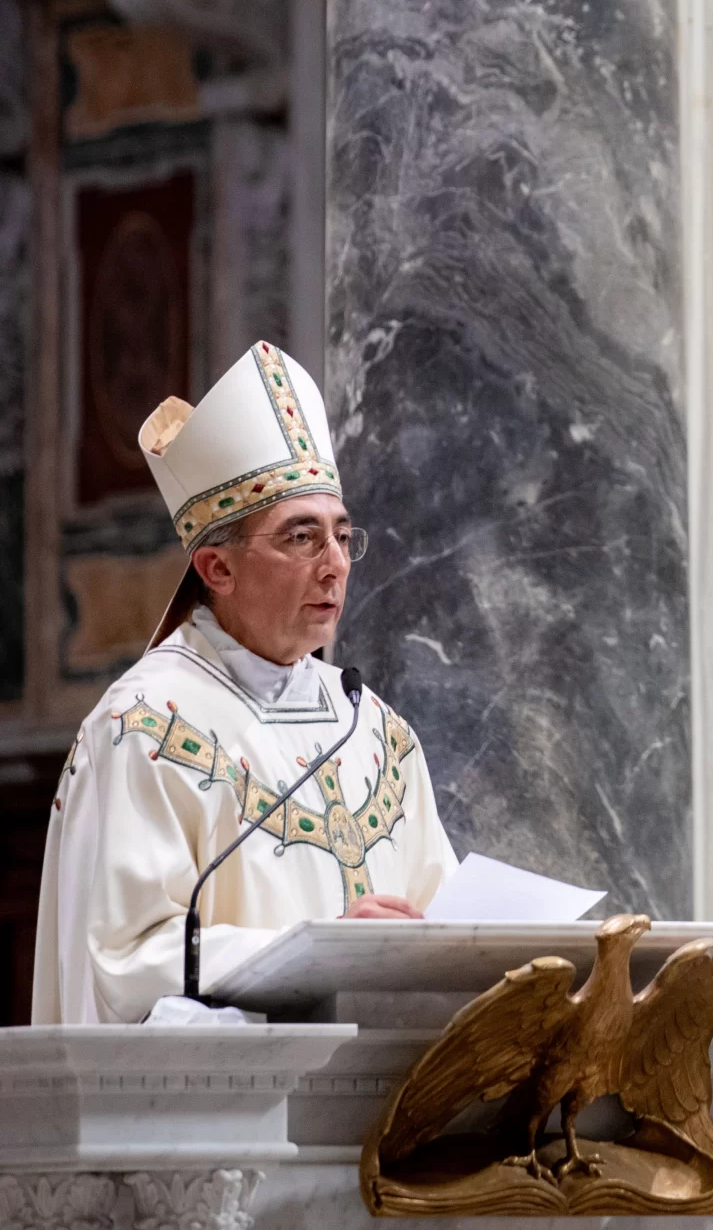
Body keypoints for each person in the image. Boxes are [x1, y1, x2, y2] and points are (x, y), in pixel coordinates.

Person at [33, 342, 457, 1022]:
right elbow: (124, 960)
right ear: (216, 568)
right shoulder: (145, 726)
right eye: (301, 537)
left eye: (343, 536)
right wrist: (319, 951)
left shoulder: (376, 731)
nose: (336, 565)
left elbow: (442, 921)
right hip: (218, 1117)